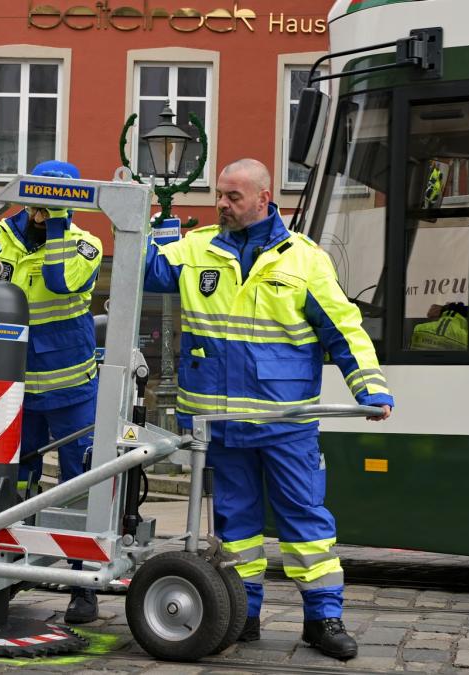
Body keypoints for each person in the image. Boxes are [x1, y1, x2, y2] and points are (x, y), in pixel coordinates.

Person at [144, 158, 393, 660]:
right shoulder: (195, 248)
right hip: (220, 424)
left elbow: (343, 329)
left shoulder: (305, 259)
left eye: (233, 197)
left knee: (305, 524)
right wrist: (152, 225)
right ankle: (243, 614)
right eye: (219, 195)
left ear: (263, 198)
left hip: (285, 424)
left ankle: (323, 620)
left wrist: (370, 387)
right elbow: (146, 271)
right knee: (236, 530)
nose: (221, 204)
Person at [0, 160, 103, 624]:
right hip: (12, 393)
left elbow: (61, 280)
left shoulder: (85, 244)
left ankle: (83, 585)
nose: (43, 211)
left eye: (55, 203)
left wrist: (60, 225)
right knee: (11, 485)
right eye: (39, 202)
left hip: (72, 391)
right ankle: (4, 574)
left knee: (79, 486)